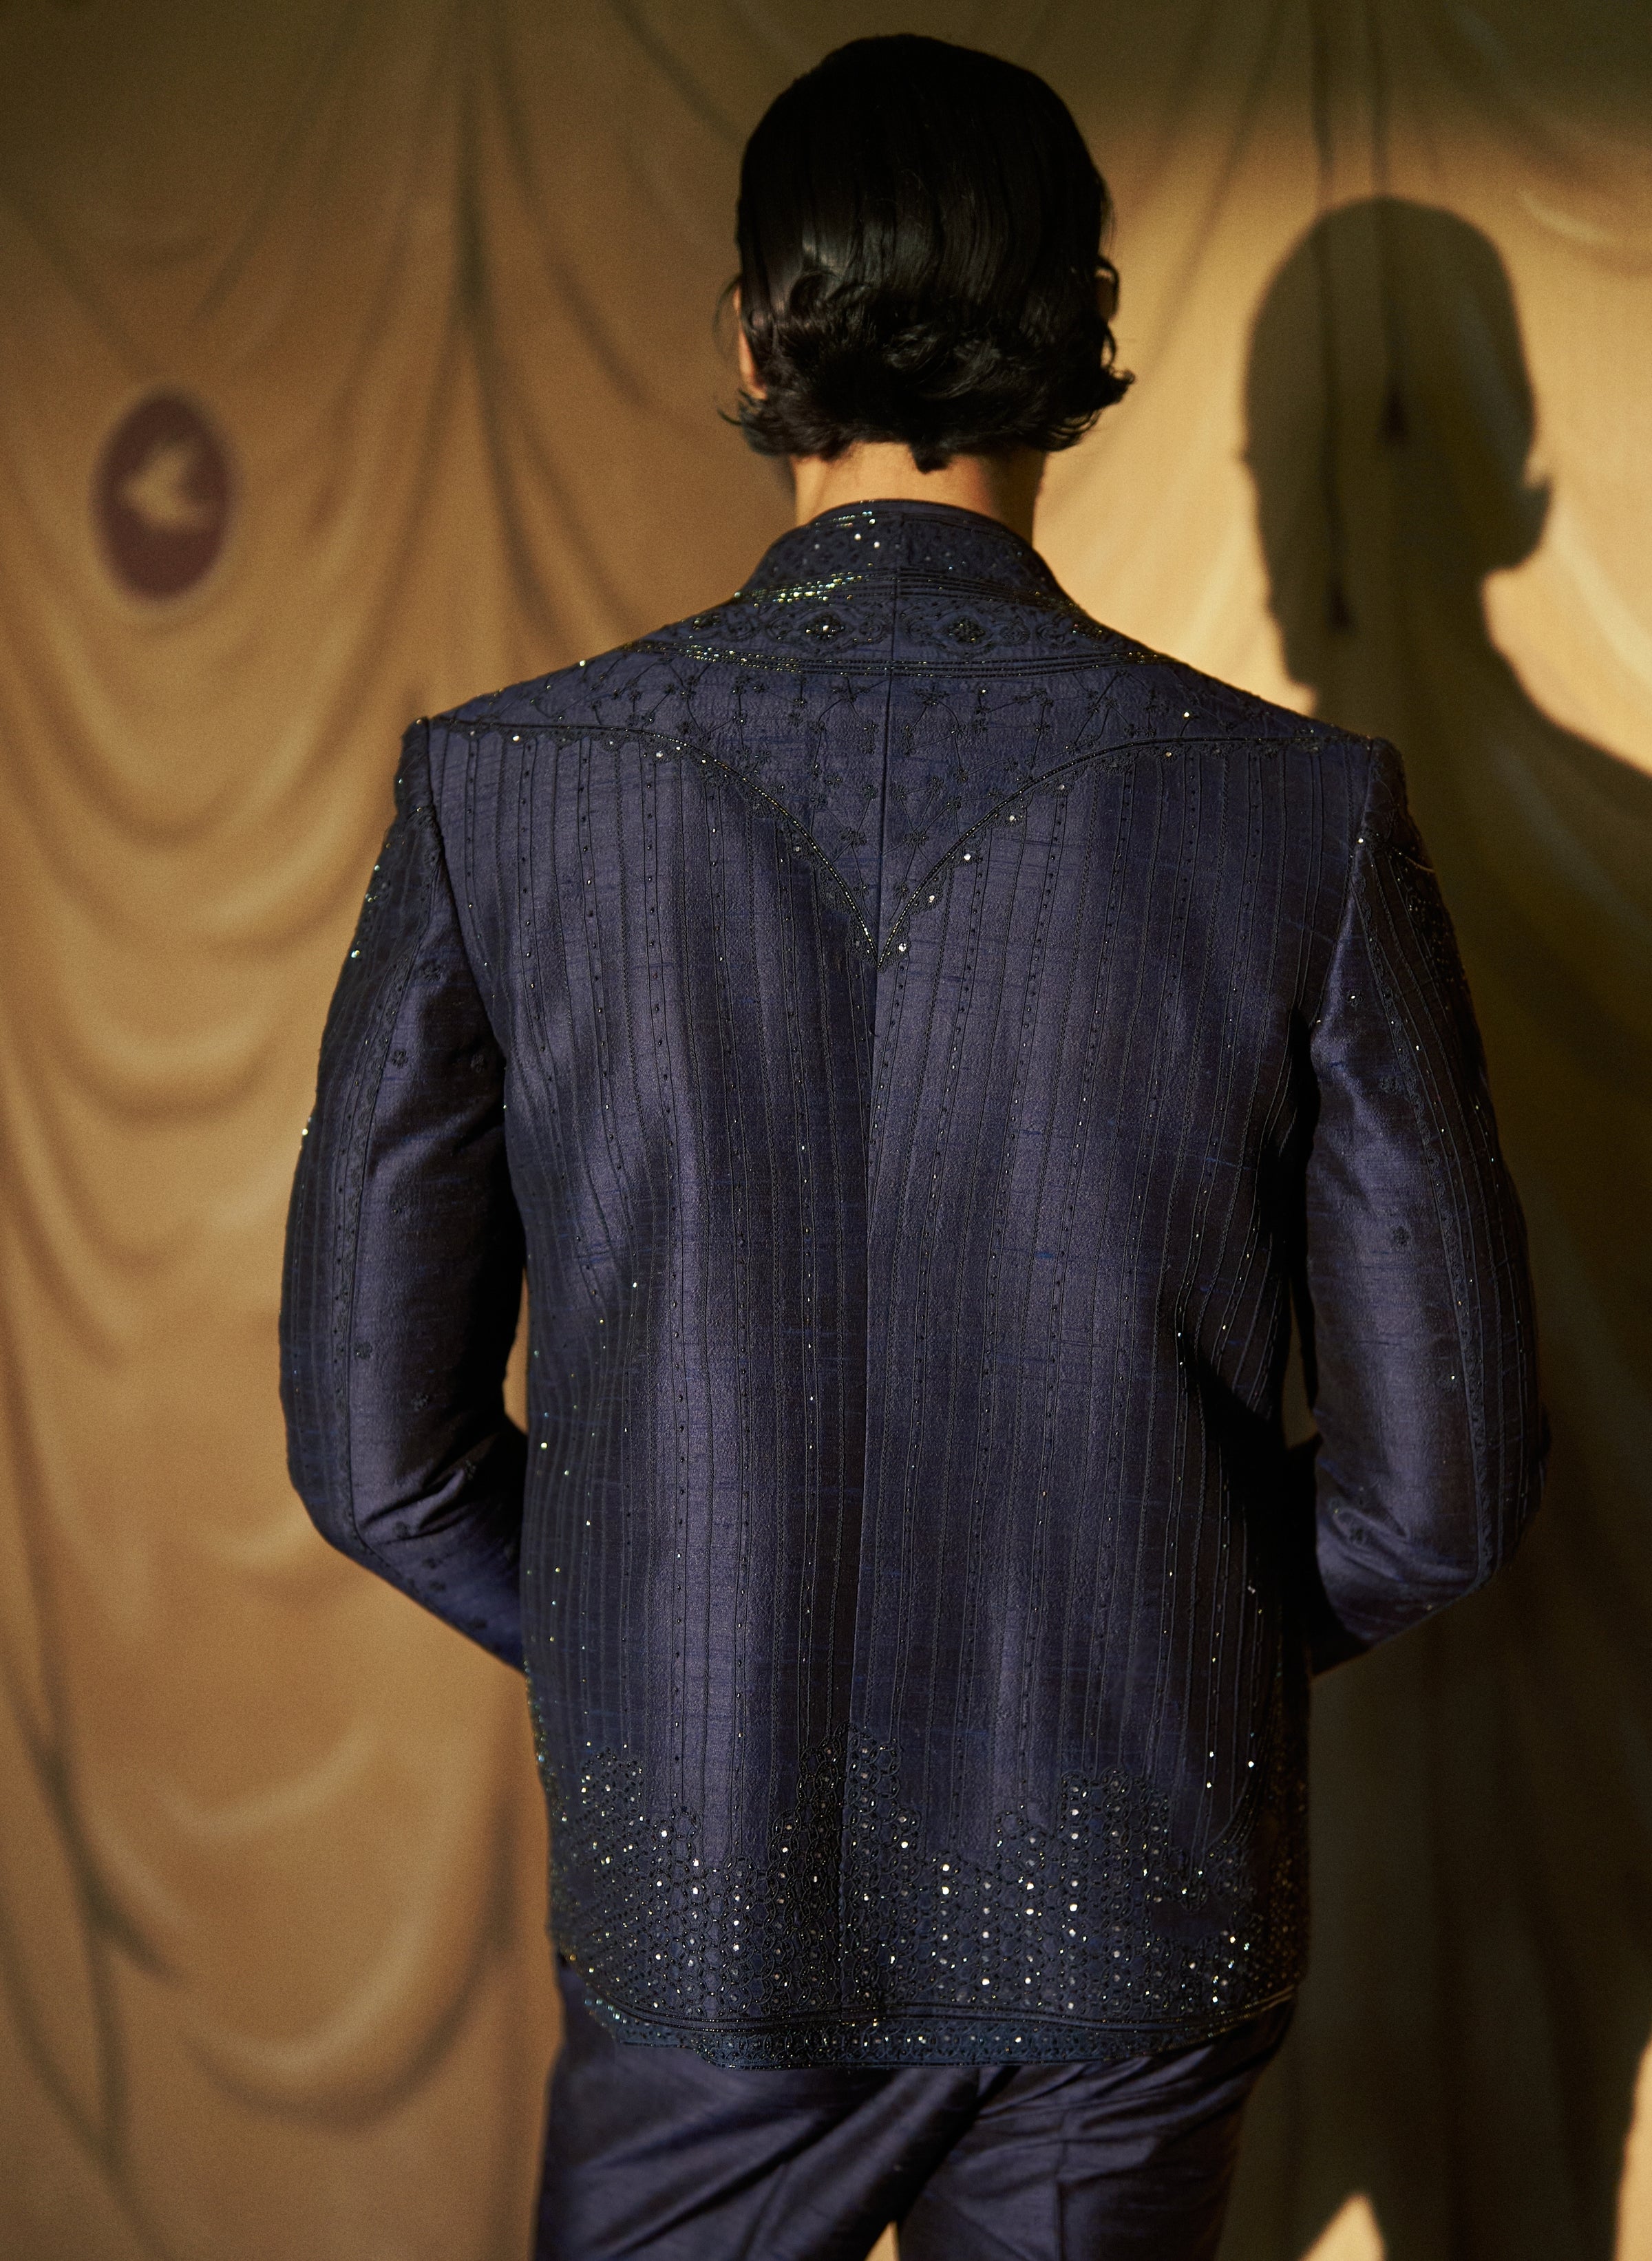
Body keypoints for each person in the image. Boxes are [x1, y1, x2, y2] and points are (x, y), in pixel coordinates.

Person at [279, 34, 1546, 2261]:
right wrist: (1143, 1646)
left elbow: (380, 1461)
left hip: (698, 1912)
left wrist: (677, 1656)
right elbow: (1437, 1498)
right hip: (1129, 1905)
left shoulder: (506, 794)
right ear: (1080, 338)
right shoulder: (1305, 821)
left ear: (752, 338)